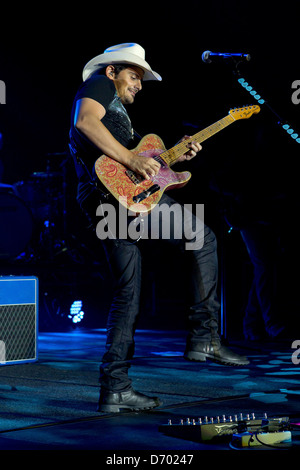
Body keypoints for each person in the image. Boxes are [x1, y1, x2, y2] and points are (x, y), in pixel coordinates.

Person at [69, 43, 249, 413]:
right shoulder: (98, 87)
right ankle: (205, 338)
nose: (139, 85)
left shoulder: (120, 117)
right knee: (202, 237)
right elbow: (84, 122)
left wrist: (171, 157)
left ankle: (115, 389)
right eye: (134, 77)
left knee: (128, 293)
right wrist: (133, 158)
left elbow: (142, 164)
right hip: (107, 196)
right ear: (112, 72)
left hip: (110, 201)